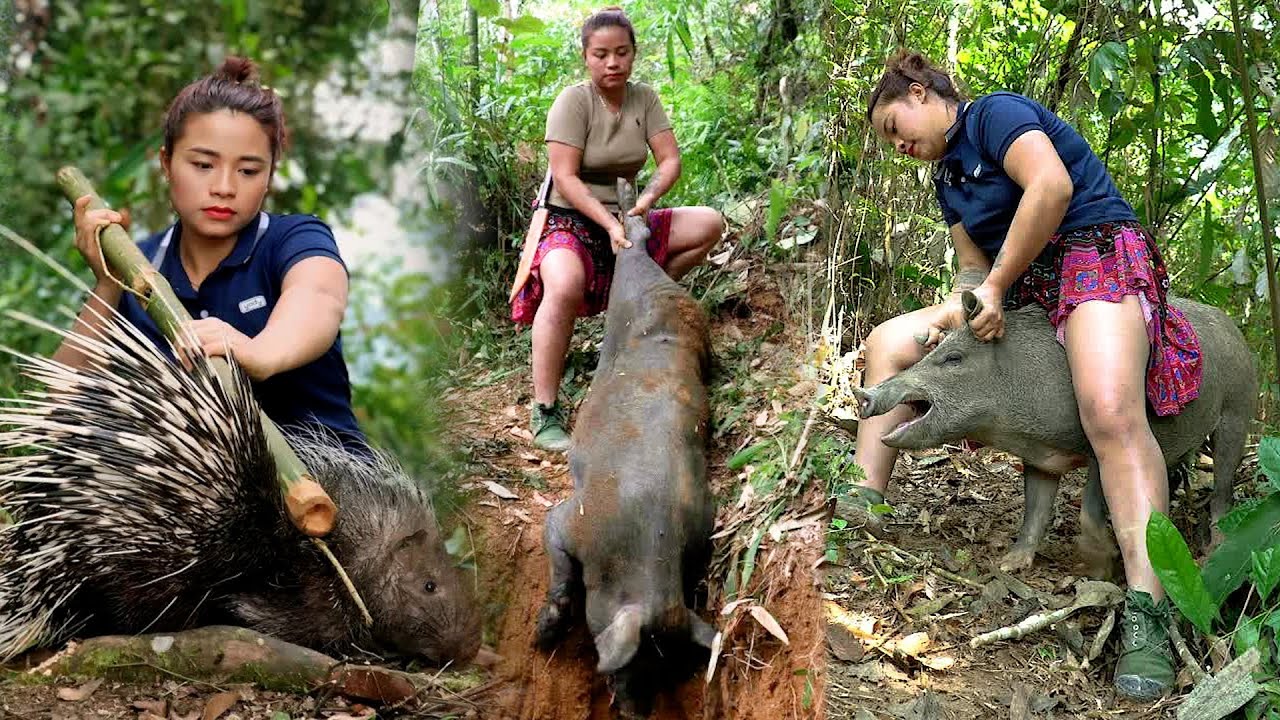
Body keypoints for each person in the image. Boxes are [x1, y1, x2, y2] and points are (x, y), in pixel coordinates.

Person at [850, 50, 1202, 700]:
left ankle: (1150, 611)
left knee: (1108, 409)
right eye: (886, 140)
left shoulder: (994, 116)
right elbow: (969, 265)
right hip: (1020, 293)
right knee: (889, 341)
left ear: (923, 92)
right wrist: (961, 309)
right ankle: (862, 500)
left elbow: (1051, 187)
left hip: (1093, 253)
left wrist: (993, 285)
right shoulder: (947, 178)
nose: (895, 143)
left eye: (893, 125)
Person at [53, 56, 367, 452]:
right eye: (203, 164)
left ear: (270, 176)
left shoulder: (294, 237)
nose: (223, 187)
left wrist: (258, 353)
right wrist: (106, 281)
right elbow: (58, 401)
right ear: (166, 163)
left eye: (248, 171)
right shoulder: (140, 264)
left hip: (327, 481)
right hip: (188, 495)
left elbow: (319, 297)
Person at [509, 6, 725, 452]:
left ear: (633, 55)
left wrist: (643, 204)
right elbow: (565, 176)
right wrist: (608, 222)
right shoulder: (573, 102)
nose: (613, 63)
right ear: (586, 58)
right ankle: (545, 408)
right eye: (601, 54)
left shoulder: (644, 99)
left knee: (708, 223)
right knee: (564, 281)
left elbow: (670, 160)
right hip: (571, 216)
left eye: (622, 53)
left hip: (628, 214)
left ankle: (630, 311)